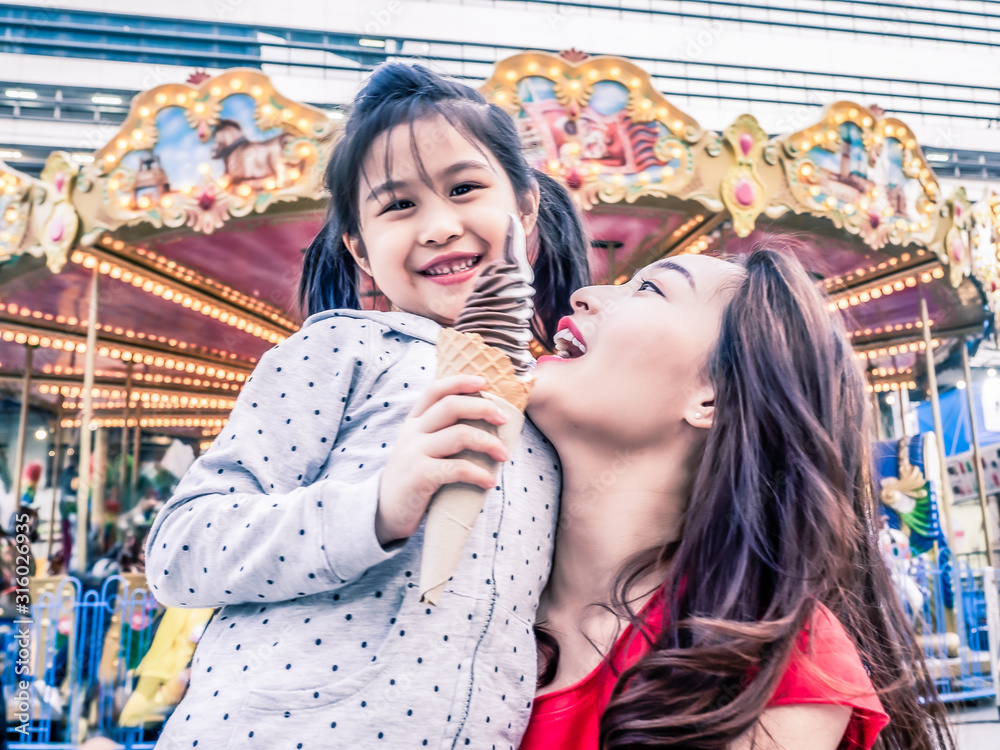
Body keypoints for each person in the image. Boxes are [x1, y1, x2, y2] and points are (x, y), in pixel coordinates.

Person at [143, 61, 590, 749]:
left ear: (526, 206)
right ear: (358, 245)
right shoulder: (341, 350)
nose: (439, 226)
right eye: (398, 205)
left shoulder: (557, 401)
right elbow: (180, 550)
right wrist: (378, 506)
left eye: (465, 188)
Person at [518, 248, 953, 749]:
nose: (585, 295)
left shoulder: (770, 660)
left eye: (650, 289)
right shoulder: (463, 596)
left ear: (712, 397)